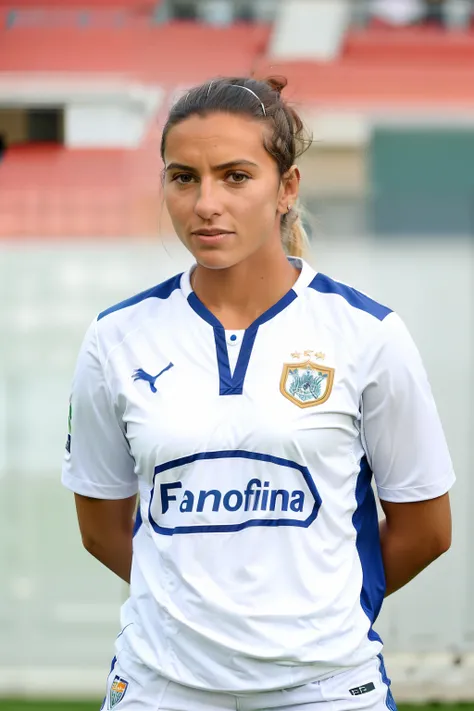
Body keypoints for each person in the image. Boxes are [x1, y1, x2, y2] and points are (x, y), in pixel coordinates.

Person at [62, 76, 455, 711]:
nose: (205, 202)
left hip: (327, 688)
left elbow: (427, 529)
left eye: (236, 176)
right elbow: (102, 524)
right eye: (183, 177)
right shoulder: (116, 338)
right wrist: (196, 619)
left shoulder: (367, 334)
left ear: (287, 188)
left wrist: (312, 617)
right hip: (160, 689)